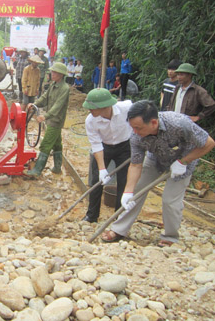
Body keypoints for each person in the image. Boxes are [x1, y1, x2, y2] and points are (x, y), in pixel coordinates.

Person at [101, 100, 215, 246]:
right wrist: (128, 192)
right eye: (132, 127)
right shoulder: (136, 136)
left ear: (153, 123)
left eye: (138, 128)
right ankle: (119, 229)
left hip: (183, 162)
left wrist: (183, 162)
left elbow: (209, 143)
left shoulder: (180, 124)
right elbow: (136, 165)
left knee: (170, 200)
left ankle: (170, 236)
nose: (135, 132)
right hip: (156, 159)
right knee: (136, 192)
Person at [81, 89, 132, 222]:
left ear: (104, 106)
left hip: (125, 147)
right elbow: (96, 145)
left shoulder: (126, 109)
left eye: (92, 108)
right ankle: (92, 215)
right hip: (104, 147)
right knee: (96, 181)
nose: (90, 111)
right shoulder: (90, 121)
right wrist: (103, 169)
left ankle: (119, 217)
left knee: (124, 181)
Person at [24, 62, 70, 177]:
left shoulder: (64, 88)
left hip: (56, 120)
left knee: (46, 144)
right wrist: (34, 105)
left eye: (54, 72)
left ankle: (37, 171)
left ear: (60, 74)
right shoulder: (53, 85)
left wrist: (45, 116)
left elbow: (58, 106)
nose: (51, 73)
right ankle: (57, 168)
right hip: (51, 120)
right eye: (52, 72)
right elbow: (44, 98)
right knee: (57, 144)